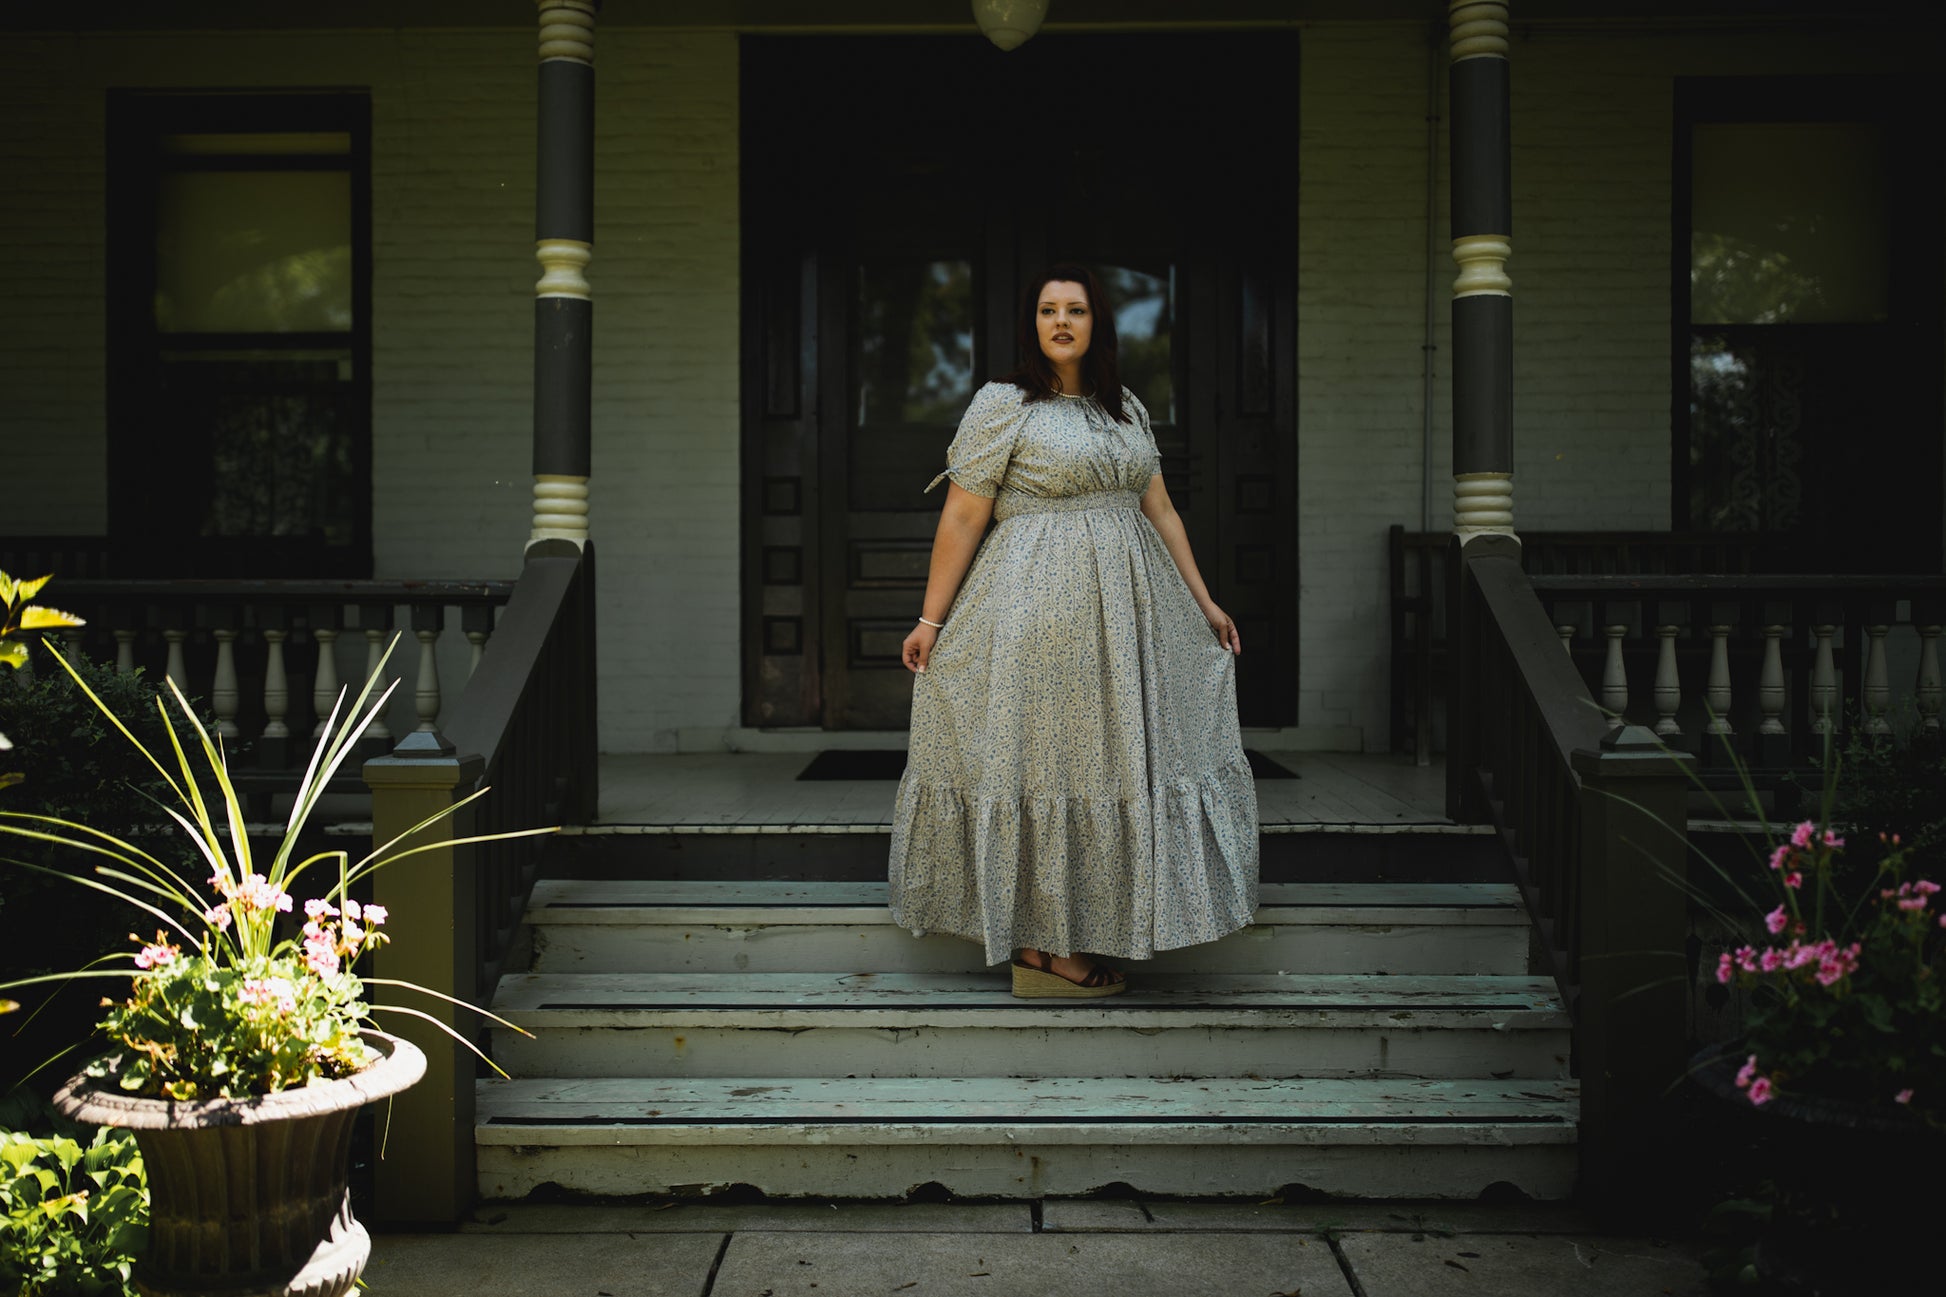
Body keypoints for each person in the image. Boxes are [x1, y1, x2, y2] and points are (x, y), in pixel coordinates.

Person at [888, 263, 1260, 999]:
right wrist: (932, 617)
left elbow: (1160, 511)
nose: (1062, 322)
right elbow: (963, 515)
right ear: (1032, 324)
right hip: (1033, 615)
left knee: (1099, 767)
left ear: (1098, 324)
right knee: (1040, 767)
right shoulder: (1003, 406)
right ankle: (1039, 946)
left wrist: (1205, 600)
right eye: (1048, 310)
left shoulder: (1124, 409)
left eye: (1077, 310)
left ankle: (1063, 936)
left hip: (1123, 625)